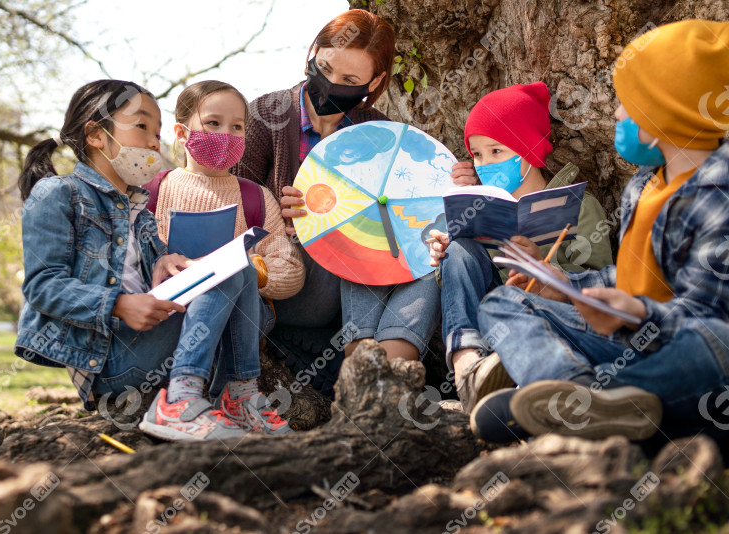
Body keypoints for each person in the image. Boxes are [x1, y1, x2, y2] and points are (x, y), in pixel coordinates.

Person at [469, 19, 729, 444]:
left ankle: (596, 405)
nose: (616, 114)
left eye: (628, 102)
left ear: (669, 104)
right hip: (631, 342)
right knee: (505, 301)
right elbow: (634, 278)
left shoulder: (720, 191)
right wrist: (562, 286)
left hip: (686, 357)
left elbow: (705, 313)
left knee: (718, 339)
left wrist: (639, 313)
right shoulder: (644, 185)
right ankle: (580, 395)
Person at [15, 80, 291, 443]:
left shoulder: (137, 210)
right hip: (109, 360)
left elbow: (138, 271)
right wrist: (120, 305)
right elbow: (41, 286)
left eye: (157, 132)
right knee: (222, 269)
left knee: (233, 264)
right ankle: (180, 401)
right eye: (142, 126)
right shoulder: (59, 194)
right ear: (96, 135)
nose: (152, 141)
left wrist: (164, 261)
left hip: (147, 342)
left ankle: (239, 395)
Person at [428, 82, 612, 413]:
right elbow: (464, 285)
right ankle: (466, 367)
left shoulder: (580, 207)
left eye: (497, 152)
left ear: (527, 150)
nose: (485, 164)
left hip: (549, 318)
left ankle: (530, 384)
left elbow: (597, 283)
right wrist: (445, 254)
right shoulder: (476, 206)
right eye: (478, 155)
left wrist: (547, 269)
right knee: (459, 249)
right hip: (486, 325)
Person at [233, 9, 395, 331]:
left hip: (352, 285)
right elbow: (229, 207)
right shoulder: (267, 115)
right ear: (315, 52)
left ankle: (373, 348)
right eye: (324, 68)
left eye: (349, 81)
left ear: (374, 81)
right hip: (279, 281)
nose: (330, 85)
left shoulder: (381, 133)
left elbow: (397, 218)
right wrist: (275, 215)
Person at [153, 79, 305, 417]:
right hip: (172, 311)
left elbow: (291, 271)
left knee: (235, 268)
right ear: (181, 133)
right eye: (213, 123)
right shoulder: (154, 191)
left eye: (237, 127)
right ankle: (225, 396)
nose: (226, 134)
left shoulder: (256, 198)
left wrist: (248, 267)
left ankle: (234, 397)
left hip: (243, 317)